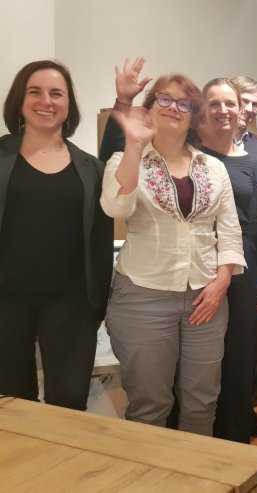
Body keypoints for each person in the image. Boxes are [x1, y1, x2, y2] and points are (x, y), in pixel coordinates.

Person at [100, 71, 246, 436]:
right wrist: (135, 147)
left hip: (206, 298)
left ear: (194, 115)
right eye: (163, 99)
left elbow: (230, 231)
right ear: (149, 108)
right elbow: (116, 207)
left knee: (202, 403)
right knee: (150, 406)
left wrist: (222, 283)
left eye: (184, 103)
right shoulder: (124, 158)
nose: (173, 108)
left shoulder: (213, 167)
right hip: (143, 297)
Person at [0, 60, 113, 410]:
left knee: (69, 404)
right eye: (34, 92)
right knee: (12, 406)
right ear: (19, 101)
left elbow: (101, 240)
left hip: (72, 304)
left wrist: (97, 304)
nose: (46, 101)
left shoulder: (91, 168)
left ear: (68, 105)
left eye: (56, 93)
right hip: (6, 303)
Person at [197, 77, 257, 443]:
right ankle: (200, 434)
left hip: (243, 268)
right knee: (200, 357)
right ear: (203, 109)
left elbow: (256, 227)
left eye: (230, 104)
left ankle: (236, 437)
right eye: (215, 103)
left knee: (241, 356)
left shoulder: (253, 164)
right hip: (199, 265)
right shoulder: (191, 156)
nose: (224, 110)